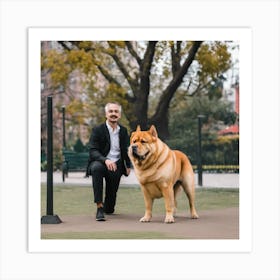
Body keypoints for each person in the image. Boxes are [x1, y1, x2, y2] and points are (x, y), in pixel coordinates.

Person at [86, 102, 131, 221]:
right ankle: (99, 207)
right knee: (96, 168)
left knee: (110, 209)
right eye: (111, 111)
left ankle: (106, 207)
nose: (113, 114)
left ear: (119, 115)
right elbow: (93, 150)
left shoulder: (123, 131)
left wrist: (128, 165)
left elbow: (126, 149)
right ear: (106, 114)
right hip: (101, 162)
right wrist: (105, 160)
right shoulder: (97, 130)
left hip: (117, 165)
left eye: (116, 112)